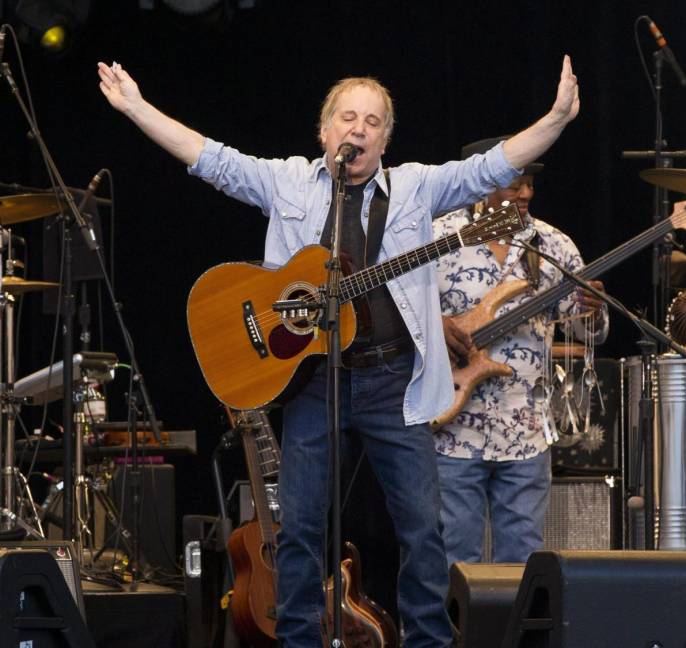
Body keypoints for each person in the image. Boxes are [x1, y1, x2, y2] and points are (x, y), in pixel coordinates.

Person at [97, 57, 580, 647]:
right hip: (313, 382)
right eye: (347, 118)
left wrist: (555, 118)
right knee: (299, 528)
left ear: (385, 138)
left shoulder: (414, 189)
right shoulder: (289, 182)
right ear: (324, 131)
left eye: (372, 121)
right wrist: (136, 106)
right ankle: (299, 639)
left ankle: (429, 640)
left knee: (422, 529)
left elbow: (491, 166)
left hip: (392, 382)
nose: (359, 128)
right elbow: (210, 158)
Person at [433, 136, 608, 564]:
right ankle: (457, 635)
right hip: (454, 428)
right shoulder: (436, 238)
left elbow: (590, 333)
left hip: (526, 429)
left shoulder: (553, 246)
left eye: (530, 183)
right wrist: (436, 326)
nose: (526, 193)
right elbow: (399, 317)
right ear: (481, 181)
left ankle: (514, 634)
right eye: (514, 183)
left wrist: (594, 311)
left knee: (523, 560)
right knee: (453, 557)